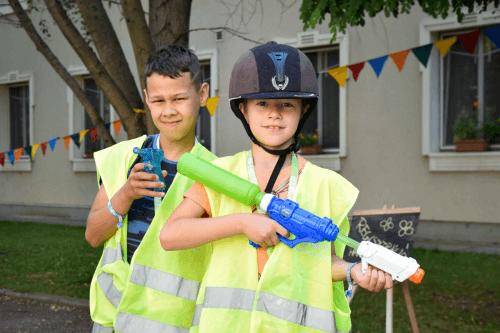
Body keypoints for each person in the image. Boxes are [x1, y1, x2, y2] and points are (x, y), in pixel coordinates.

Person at [160, 42, 393, 333]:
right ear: (243, 109)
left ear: (303, 110)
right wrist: (242, 222)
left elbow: (324, 262)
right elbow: (170, 236)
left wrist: (353, 271)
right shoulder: (220, 174)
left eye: (287, 105)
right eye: (262, 104)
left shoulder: (328, 186)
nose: (275, 114)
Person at [85, 45, 216, 333]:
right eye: (158, 100)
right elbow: (93, 236)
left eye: (179, 98)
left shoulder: (217, 173)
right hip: (114, 319)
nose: (168, 111)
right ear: (146, 99)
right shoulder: (123, 157)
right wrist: (126, 193)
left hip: (177, 322)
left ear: (202, 94)